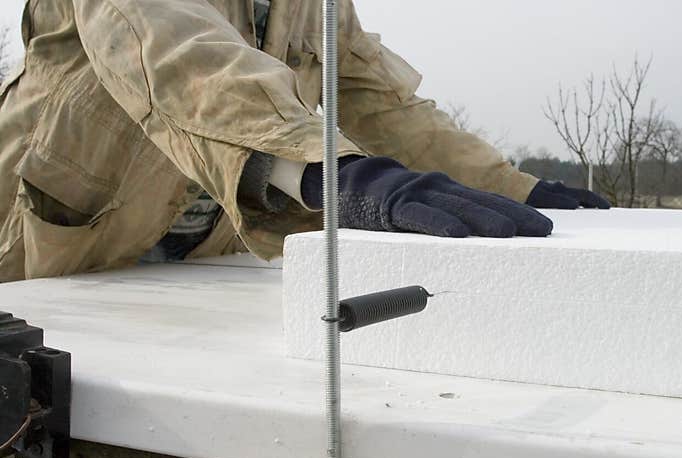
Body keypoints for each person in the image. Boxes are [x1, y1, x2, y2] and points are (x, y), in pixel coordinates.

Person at [0, 0, 609, 282]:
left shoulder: (315, 6)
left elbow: (390, 107)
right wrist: (337, 175)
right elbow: (180, 55)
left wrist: (519, 187)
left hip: (191, 264)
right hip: (57, 240)